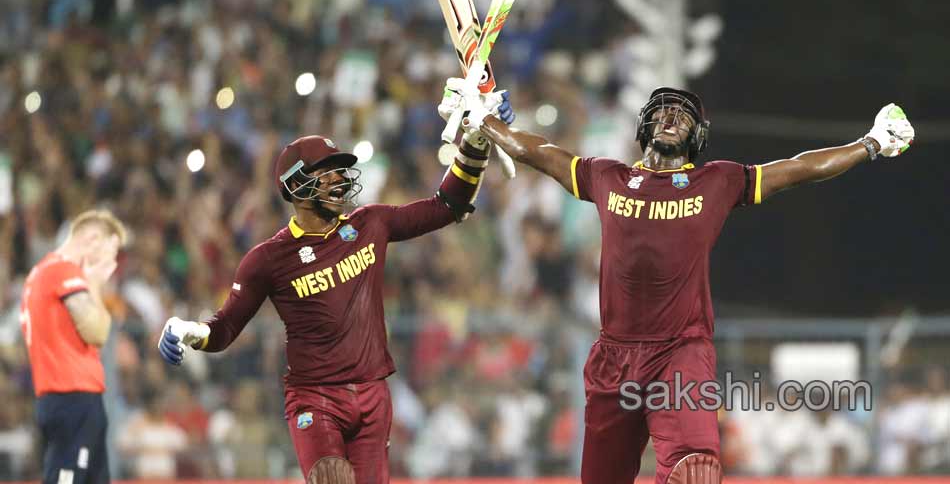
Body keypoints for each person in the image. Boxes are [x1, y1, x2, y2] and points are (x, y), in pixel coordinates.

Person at [445, 80, 915, 484]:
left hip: (681, 352)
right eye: (664, 110)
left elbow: (796, 168)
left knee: (695, 470)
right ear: (645, 127)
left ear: (697, 137)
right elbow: (539, 152)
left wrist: (869, 144)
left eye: (684, 115)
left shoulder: (717, 182)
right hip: (613, 356)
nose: (673, 117)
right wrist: (486, 121)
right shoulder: (607, 175)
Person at [157, 92, 514, 484]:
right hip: (316, 398)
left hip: (374, 393)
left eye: (339, 170)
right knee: (333, 478)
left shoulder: (370, 224)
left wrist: (475, 144)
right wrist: (191, 330)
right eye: (326, 171)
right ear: (295, 185)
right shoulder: (268, 258)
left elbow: (447, 205)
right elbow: (224, 329)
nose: (339, 178)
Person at [19, 209, 127, 484]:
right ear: (92, 240)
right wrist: (94, 283)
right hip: (72, 397)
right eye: (110, 251)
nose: (112, 263)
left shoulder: (39, 272)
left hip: (66, 397)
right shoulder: (63, 270)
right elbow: (97, 331)